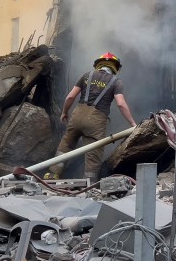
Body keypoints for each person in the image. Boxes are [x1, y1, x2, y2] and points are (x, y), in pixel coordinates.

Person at [46, 52, 137, 182]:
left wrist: (64, 112)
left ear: (98, 65)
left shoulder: (86, 76)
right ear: (115, 67)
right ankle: (89, 183)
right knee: (93, 153)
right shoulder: (116, 82)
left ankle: (52, 175)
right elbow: (121, 104)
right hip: (96, 120)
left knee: (66, 144)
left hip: (77, 115)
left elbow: (70, 97)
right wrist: (133, 124)